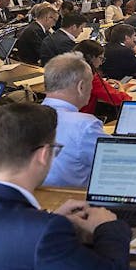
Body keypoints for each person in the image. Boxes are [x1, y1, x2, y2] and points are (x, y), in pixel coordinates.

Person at [0, 103, 133, 270]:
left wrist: (50, 219)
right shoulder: (44, 231)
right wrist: (109, 227)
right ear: (44, 154)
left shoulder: (42, 227)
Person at [39, 53, 105, 186]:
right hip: (71, 201)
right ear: (81, 87)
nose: (91, 88)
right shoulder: (85, 126)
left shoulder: (22, 117)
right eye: (90, 83)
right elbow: (118, 162)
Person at [73, 40, 131, 116]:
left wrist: (104, 83)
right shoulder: (89, 77)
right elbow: (120, 99)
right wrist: (122, 89)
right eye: (101, 58)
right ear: (91, 58)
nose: (101, 63)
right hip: (82, 118)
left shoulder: (67, 70)